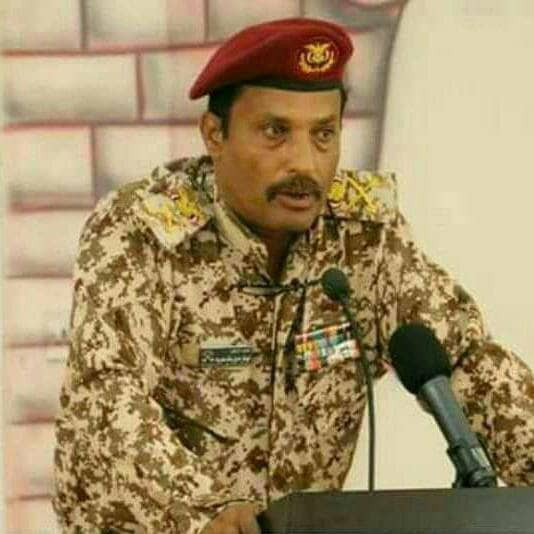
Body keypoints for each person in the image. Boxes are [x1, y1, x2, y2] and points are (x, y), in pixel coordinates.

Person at [53, 17, 534, 533]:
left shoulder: (364, 239)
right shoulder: (144, 231)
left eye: (323, 134)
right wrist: (204, 510)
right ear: (214, 134)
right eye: (275, 132)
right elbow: (107, 396)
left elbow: (466, 362)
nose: (304, 163)